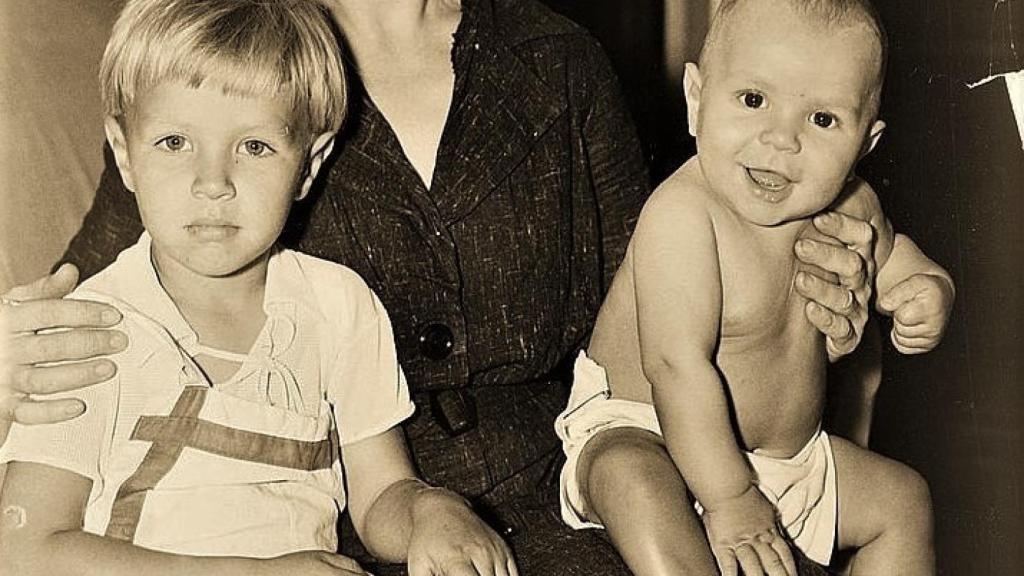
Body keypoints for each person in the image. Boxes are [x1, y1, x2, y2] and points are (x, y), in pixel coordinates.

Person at [0, 1, 949, 574]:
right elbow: (87, 300)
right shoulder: (234, 59)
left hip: (603, 502)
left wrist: (831, 296)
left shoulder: (560, 59)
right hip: (358, 525)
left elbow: (669, 304)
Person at [0, 1, 516, 575]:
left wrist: (428, 510)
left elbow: (381, 494)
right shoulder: (88, 333)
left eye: (254, 147)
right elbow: (25, 550)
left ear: (310, 165)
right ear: (125, 155)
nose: (213, 183)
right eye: (174, 142)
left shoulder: (339, 307)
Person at [554, 0, 956, 575]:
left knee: (905, 501)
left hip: (786, 460)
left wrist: (929, 290)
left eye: (822, 120)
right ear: (696, 100)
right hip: (652, 430)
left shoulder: (853, 206)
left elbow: (895, 261)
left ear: (866, 143)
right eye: (753, 100)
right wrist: (729, 497)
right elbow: (675, 366)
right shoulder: (683, 215)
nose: (780, 139)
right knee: (630, 480)